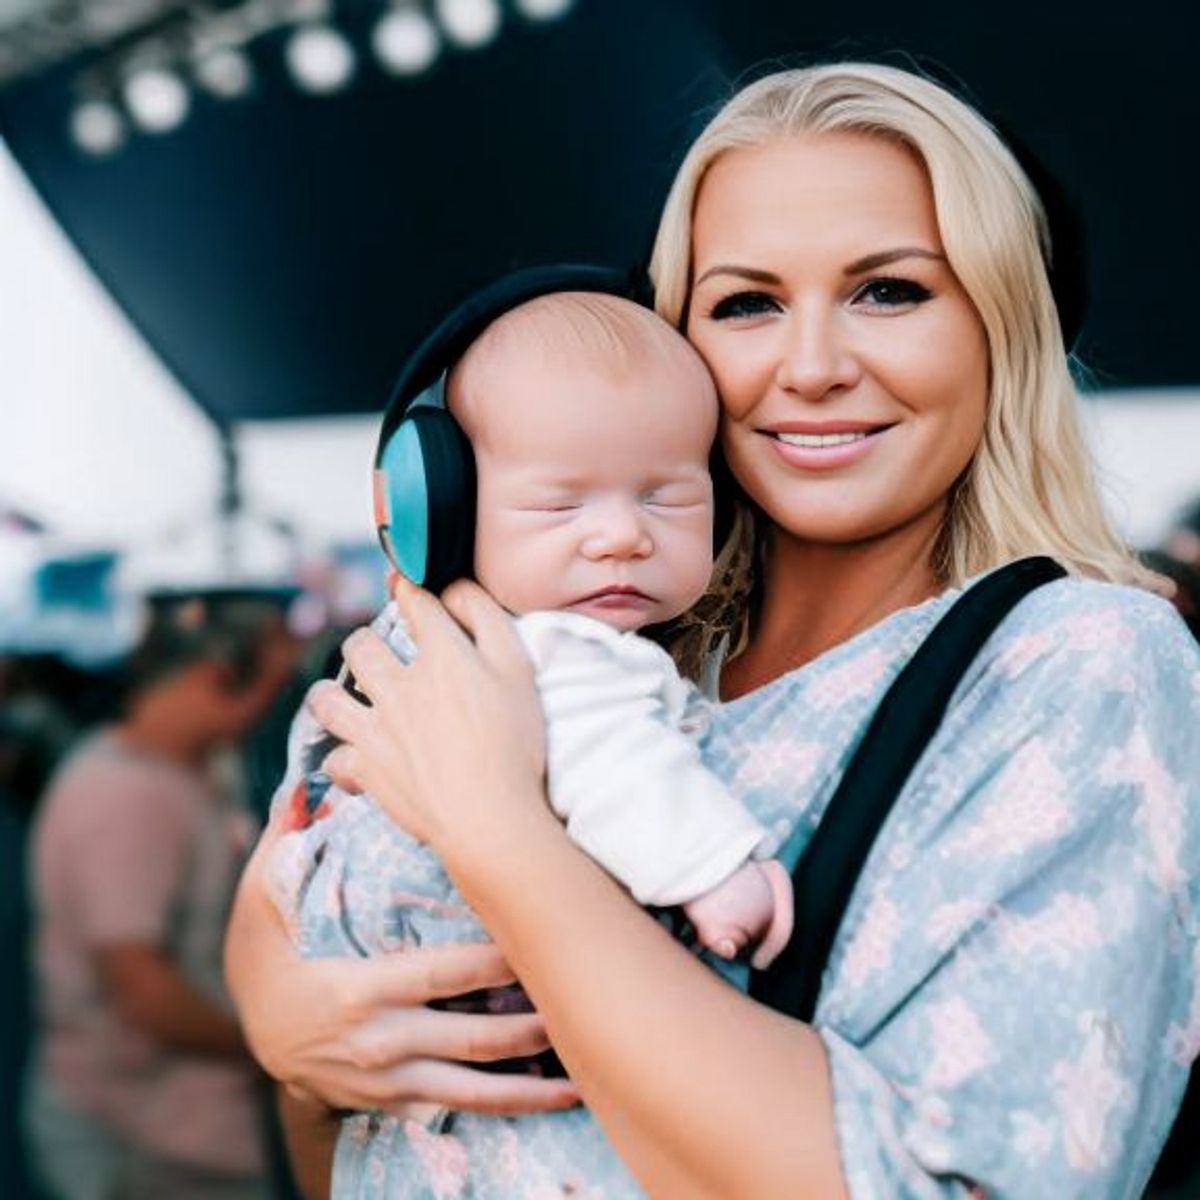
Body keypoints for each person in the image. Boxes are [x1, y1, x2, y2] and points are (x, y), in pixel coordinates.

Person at [226, 62, 1200, 1199]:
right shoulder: (608, 646)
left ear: (1003, 326)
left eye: (889, 291)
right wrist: (289, 1037)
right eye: (746, 304)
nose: (814, 367)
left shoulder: (1081, 662)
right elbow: (366, 1152)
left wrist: (496, 832)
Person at [262, 289, 794, 1195]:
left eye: (666, 497)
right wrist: (713, 871)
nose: (622, 536)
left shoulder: (407, 654)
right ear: (445, 515)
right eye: (559, 506)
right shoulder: (554, 649)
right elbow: (615, 764)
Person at [27, 590, 298, 1200]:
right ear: (217, 677)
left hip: (189, 1125)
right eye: (273, 686)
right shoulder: (123, 795)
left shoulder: (199, 768)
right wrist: (288, 1045)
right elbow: (144, 991)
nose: (277, 706)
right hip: (145, 1140)